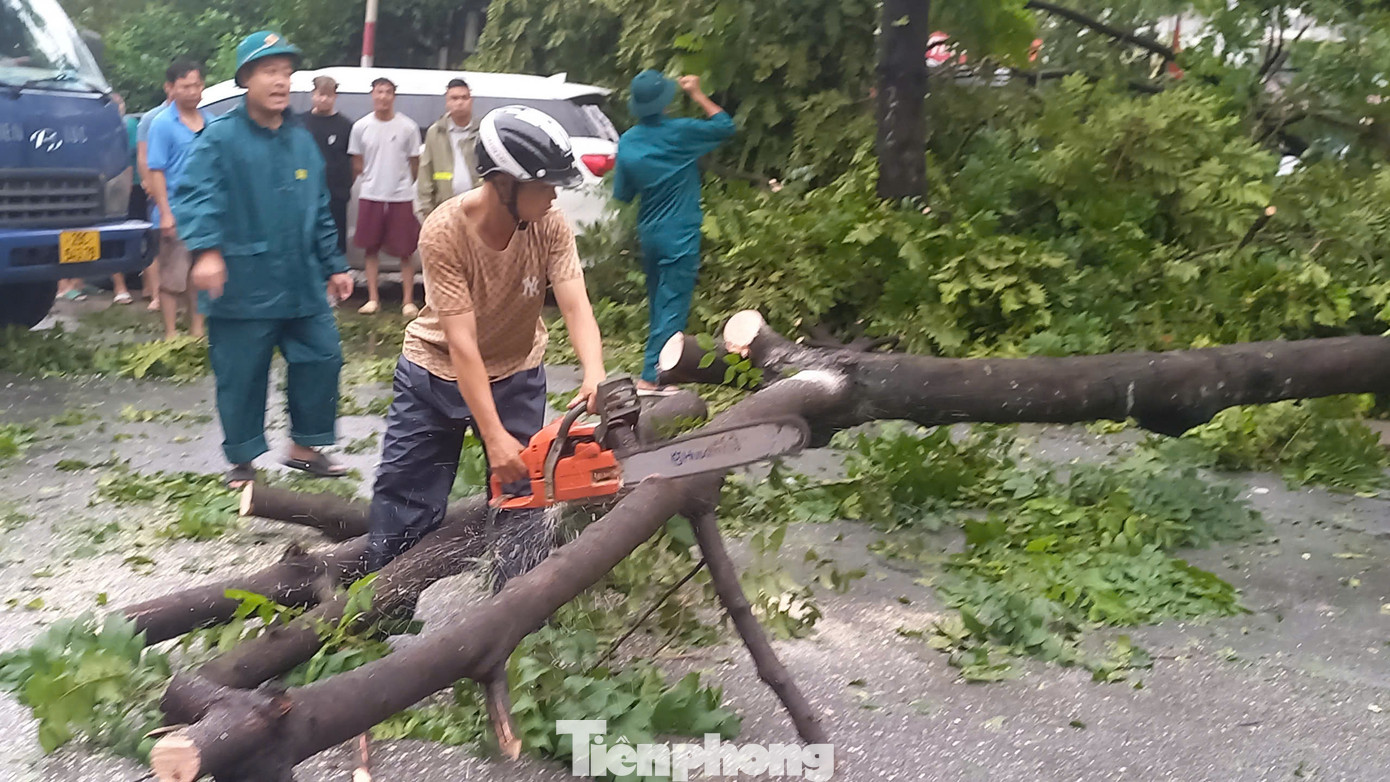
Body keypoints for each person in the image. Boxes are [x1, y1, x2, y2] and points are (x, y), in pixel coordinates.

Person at [365, 106, 606, 594]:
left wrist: (594, 372)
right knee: (406, 500)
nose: (554, 195)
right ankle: (380, 611)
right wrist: (493, 437)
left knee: (523, 495)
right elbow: (462, 344)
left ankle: (515, 612)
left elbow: (574, 302)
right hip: (433, 373)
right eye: (545, 184)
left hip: (516, 371)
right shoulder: (445, 231)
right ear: (503, 183)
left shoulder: (550, 224)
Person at [173, 31, 354, 488]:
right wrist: (207, 251)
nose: (281, 81)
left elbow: (320, 208)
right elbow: (195, 195)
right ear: (245, 79)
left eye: (286, 73)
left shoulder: (301, 141)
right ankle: (242, 460)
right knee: (241, 373)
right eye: (270, 71)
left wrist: (334, 264)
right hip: (243, 281)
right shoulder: (220, 139)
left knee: (323, 356)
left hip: (301, 280)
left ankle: (305, 447)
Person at [612, 71, 735, 393]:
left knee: (659, 304)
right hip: (679, 231)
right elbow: (725, 125)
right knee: (673, 305)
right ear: (665, 102)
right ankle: (654, 376)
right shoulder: (681, 132)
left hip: (650, 230)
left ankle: (658, 370)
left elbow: (623, 194)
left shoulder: (628, 141)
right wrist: (697, 93)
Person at [147, 60, 213, 339]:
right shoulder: (162, 124)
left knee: (199, 275)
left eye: (197, 85)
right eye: (185, 86)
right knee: (172, 277)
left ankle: (197, 332)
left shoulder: (210, 122)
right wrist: (165, 213)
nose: (193, 92)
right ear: (171, 88)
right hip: (174, 210)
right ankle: (171, 334)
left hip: (204, 212)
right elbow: (156, 171)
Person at [348, 77, 421, 318]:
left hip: (401, 195)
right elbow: (357, 163)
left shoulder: (408, 127)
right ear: (372, 95)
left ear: (394, 96)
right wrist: (373, 180)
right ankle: (373, 299)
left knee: (405, 249)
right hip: (371, 194)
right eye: (379, 92)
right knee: (371, 248)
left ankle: (408, 301)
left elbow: (415, 163)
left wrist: (401, 183)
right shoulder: (361, 127)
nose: (383, 97)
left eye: (388, 92)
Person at [301, 76, 354, 254]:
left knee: (335, 242)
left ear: (335, 96)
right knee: (307, 242)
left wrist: (344, 187)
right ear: (312, 94)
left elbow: (354, 162)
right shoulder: (299, 123)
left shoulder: (345, 126)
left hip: (335, 196)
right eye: (320, 94)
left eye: (328, 95)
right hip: (305, 194)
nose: (324, 99)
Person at [416, 78, 479, 223]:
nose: (460, 102)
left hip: (478, 209)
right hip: (444, 209)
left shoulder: (482, 131)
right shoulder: (435, 132)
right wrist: (426, 210)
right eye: (454, 98)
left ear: (471, 101)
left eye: (464, 97)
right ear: (447, 102)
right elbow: (425, 171)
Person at [137, 83, 172, 311]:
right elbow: (143, 155)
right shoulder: (152, 118)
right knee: (156, 245)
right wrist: (148, 182)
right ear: (169, 87)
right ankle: (157, 295)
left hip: (183, 190)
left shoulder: (200, 115)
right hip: (159, 190)